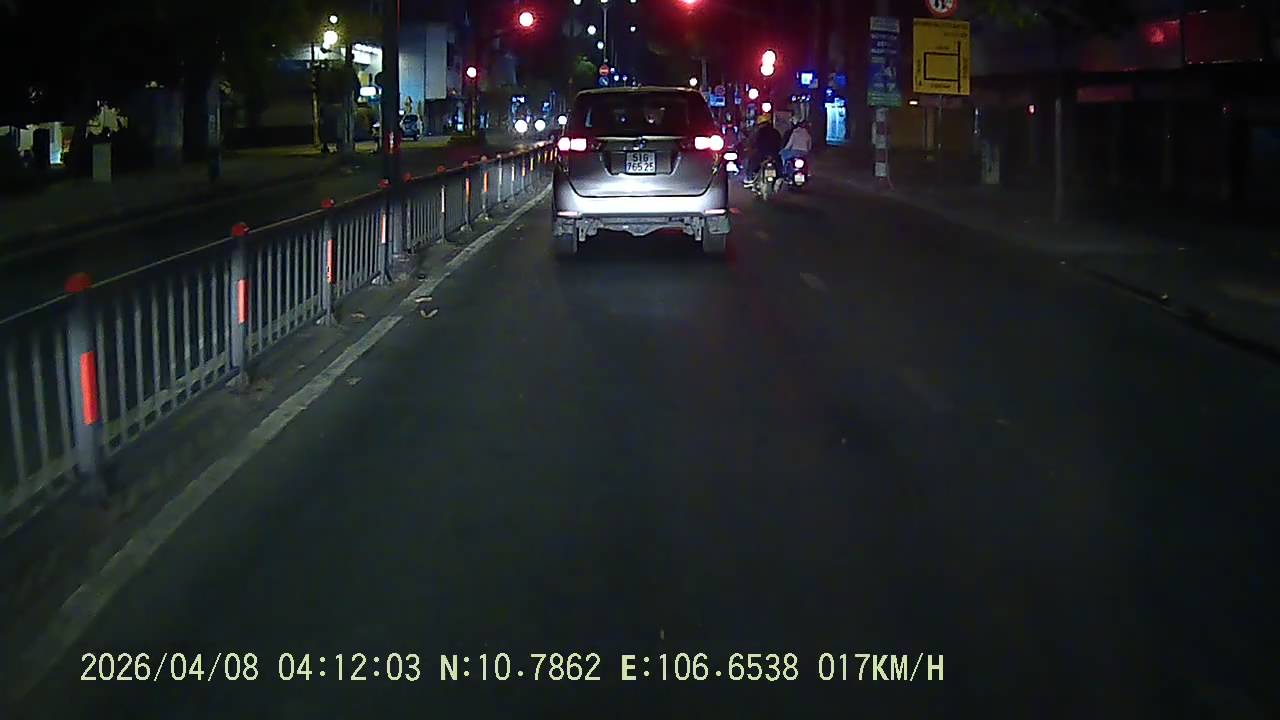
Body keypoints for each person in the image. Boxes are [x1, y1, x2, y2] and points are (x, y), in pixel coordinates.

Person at [745, 114, 782, 182]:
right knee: (779, 165)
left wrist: (750, 148)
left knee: (751, 162)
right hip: (774, 154)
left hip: (761, 154)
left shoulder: (758, 132)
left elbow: (754, 142)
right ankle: (780, 177)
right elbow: (780, 143)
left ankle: (749, 178)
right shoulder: (775, 132)